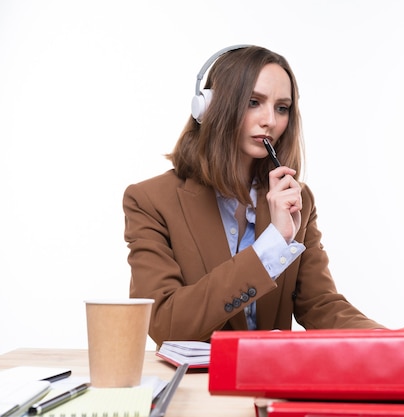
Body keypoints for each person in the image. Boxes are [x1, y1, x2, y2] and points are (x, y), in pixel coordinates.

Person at [123, 45, 383, 347]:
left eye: (282, 108)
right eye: (253, 102)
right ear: (208, 107)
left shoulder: (296, 198)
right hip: (194, 386)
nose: (270, 120)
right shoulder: (150, 200)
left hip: (270, 382)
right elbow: (165, 323)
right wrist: (272, 245)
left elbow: (319, 304)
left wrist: (388, 340)